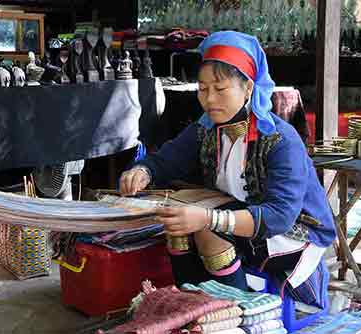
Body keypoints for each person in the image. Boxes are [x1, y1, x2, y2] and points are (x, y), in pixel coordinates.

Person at [119, 31, 335, 309]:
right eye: (202, 88)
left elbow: (280, 215)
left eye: (220, 89)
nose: (209, 99)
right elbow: (167, 159)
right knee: (176, 220)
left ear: (247, 88)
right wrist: (143, 171)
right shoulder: (206, 128)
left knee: (207, 230)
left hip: (292, 232)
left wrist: (209, 219)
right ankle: (192, 307)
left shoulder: (281, 140)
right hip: (241, 213)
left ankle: (238, 314)